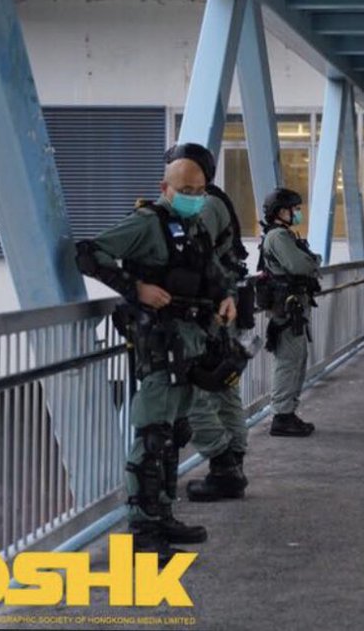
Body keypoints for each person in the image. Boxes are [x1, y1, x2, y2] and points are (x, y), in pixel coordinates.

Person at [75, 154, 240, 558]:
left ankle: (162, 516)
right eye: (186, 191)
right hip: (159, 341)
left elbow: (212, 271)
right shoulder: (147, 223)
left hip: (189, 341)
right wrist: (137, 289)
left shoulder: (195, 225)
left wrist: (226, 297)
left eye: (200, 192)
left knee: (174, 433)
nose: (195, 198)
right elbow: (89, 253)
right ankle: (142, 531)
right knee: (152, 435)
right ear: (165, 189)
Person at [160, 143, 254, 503]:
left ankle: (222, 463)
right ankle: (234, 464)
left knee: (197, 390)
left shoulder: (206, 207)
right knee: (225, 388)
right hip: (221, 310)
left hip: (206, 313)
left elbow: (190, 257)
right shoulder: (218, 201)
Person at [259, 188, 321, 438]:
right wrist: (314, 261)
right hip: (287, 308)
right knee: (289, 361)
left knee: (297, 360)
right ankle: (282, 416)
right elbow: (300, 265)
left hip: (292, 306)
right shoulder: (279, 237)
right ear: (280, 211)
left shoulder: (283, 235)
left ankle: (288, 412)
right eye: (293, 209)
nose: (297, 213)